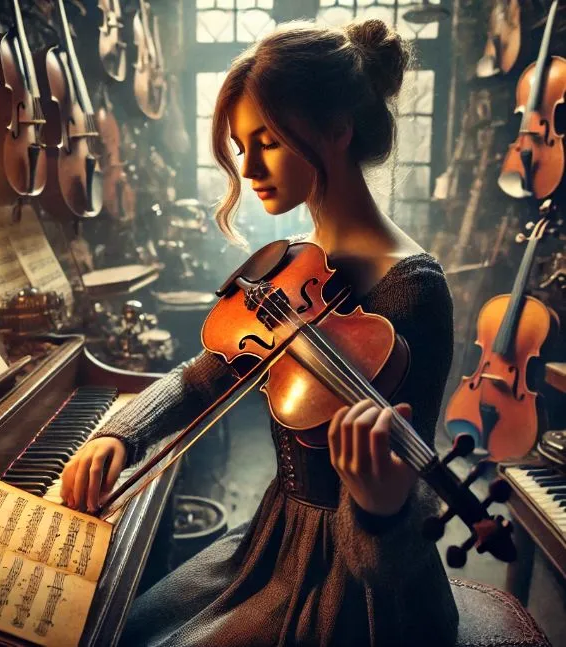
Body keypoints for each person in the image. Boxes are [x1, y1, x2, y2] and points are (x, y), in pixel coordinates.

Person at [61, 17, 459, 646]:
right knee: (122, 628)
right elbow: (208, 373)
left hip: (350, 580)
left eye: (265, 142)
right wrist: (122, 435)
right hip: (272, 538)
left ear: (336, 129)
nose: (247, 168)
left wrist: (381, 509)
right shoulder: (297, 265)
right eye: (241, 147)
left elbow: (400, 522)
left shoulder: (411, 289)